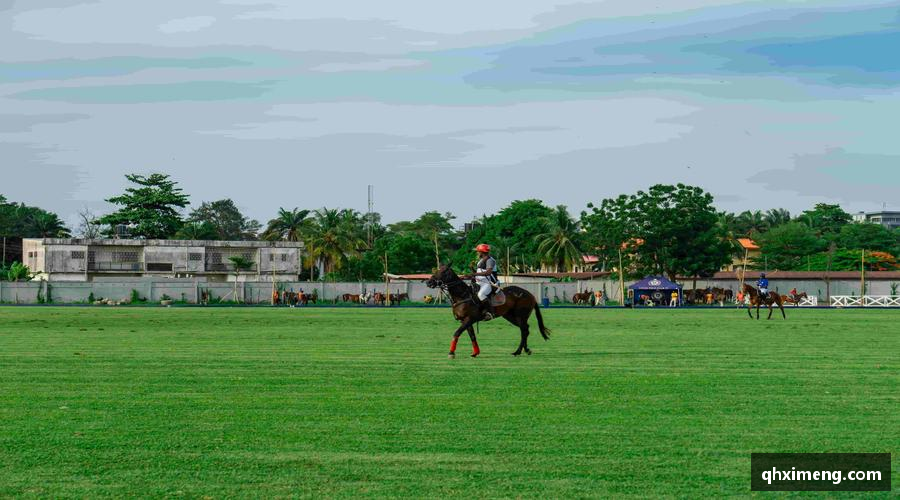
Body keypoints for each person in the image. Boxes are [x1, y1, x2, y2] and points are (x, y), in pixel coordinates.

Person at [469, 243, 499, 320]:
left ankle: (491, 313)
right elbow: (479, 272)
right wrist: (472, 269)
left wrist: (474, 273)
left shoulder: (490, 260)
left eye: (478, 252)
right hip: (481, 282)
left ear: (482, 252)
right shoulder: (481, 260)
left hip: (490, 283)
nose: (477, 253)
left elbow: (488, 272)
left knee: (481, 294)